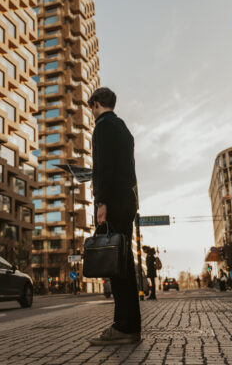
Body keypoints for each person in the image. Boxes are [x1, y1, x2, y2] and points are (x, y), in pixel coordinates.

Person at [87, 88, 140, 346]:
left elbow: (103, 167)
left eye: (92, 108)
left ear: (96, 104)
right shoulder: (123, 128)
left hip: (115, 201)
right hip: (127, 200)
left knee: (117, 266)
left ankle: (123, 327)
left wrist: (101, 202)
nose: (92, 113)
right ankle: (130, 325)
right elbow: (129, 170)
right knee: (125, 264)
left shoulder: (103, 127)